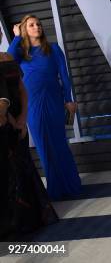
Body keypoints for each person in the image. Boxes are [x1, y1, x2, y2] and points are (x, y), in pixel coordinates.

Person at [8, 15, 81, 200]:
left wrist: (69, 99)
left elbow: (64, 76)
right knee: (43, 146)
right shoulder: (21, 52)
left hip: (54, 101)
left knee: (59, 144)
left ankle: (71, 186)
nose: (37, 27)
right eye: (31, 25)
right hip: (32, 103)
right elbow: (8, 60)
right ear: (25, 29)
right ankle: (55, 189)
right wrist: (16, 37)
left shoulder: (54, 49)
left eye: (38, 24)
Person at [0, 29, 59, 240]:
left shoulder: (7, 57)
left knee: (24, 166)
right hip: (3, 123)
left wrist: (23, 118)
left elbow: (22, 90)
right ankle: (12, 223)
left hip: (18, 122)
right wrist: (11, 120)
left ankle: (31, 217)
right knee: (8, 173)